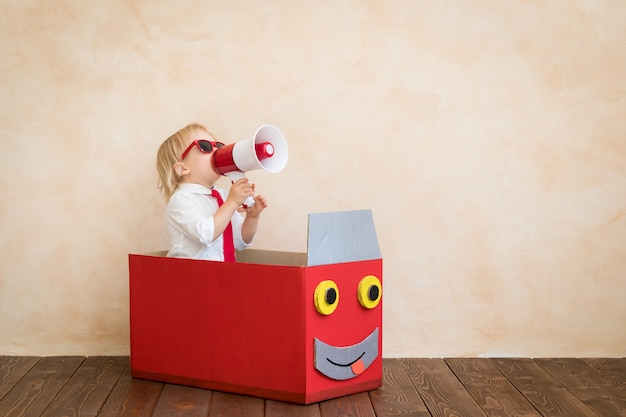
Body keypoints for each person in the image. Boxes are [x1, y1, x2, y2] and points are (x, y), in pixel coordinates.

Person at [156, 123, 268, 261]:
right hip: (191, 278)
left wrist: (252, 217)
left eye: (218, 146)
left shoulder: (223, 196)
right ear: (182, 168)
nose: (216, 151)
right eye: (205, 147)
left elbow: (240, 241)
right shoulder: (181, 199)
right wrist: (232, 203)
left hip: (221, 277)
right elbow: (205, 234)